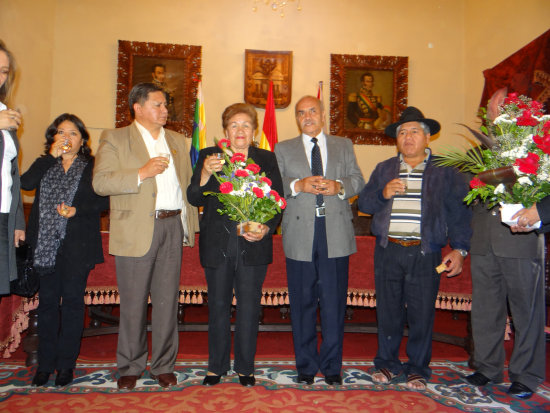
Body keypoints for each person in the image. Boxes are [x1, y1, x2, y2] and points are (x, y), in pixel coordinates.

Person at [92, 82, 198, 390]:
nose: (165, 110)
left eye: (166, 105)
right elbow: (101, 183)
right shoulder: (115, 138)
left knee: (167, 302)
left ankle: (164, 364)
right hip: (136, 229)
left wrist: (190, 227)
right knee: (134, 303)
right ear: (137, 107)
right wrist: (142, 172)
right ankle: (130, 365)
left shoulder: (178, 140)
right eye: (158, 105)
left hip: (172, 226)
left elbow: (187, 189)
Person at [358, 107, 472, 391]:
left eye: (414, 132)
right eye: (402, 133)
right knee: (388, 312)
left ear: (428, 136)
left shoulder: (446, 171)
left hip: (426, 252)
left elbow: (459, 213)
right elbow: (363, 204)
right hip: (388, 250)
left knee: (422, 314)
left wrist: (459, 249)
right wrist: (383, 193)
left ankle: (418, 367)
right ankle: (386, 363)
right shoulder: (384, 168)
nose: (407, 137)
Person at [187, 103, 283, 387]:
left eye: (246, 125)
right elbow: (195, 197)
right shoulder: (209, 156)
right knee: (217, 306)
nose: (240, 130)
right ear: (225, 131)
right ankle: (215, 366)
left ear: (254, 132)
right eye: (234, 125)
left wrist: (266, 229)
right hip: (217, 244)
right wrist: (205, 174)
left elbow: (277, 201)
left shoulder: (266, 158)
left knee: (250, 308)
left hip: (253, 245)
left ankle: (245, 367)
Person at [274, 96, 365, 385]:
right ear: (297, 119)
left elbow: (358, 181)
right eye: (301, 113)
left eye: (312, 111)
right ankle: (305, 366)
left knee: (334, 303)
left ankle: (332, 367)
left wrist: (340, 187)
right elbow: (273, 187)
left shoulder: (343, 145)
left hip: (335, 232)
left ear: (323, 114)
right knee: (302, 304)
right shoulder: (283, 148)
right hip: (300, 233)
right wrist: (296, 185)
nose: (307, 116)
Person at [21, 114, 108, 387]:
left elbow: (104, 201)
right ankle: (45, 365)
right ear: (53, 138)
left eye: (72, 133)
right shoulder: (45, 163)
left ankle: (66, 365)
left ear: (82, 139)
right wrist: (50, 156)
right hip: (46, 246)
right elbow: (26, 183)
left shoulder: (93, 166)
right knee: (47, 305)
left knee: (72, 305)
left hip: (77, 246)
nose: (66, 137)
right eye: (61, 132)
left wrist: (77, 210)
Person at [461, 200, 546, 399]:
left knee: (526, 312)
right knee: (485, 310)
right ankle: (487, 368)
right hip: (482, 237)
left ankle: (526, 375)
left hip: (521, 235)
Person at [0, 40, 25, 297]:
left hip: (3, 217)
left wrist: (17, 220)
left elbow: (11, 174)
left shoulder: (5, 112)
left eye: (4, 71)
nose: (0, 76)